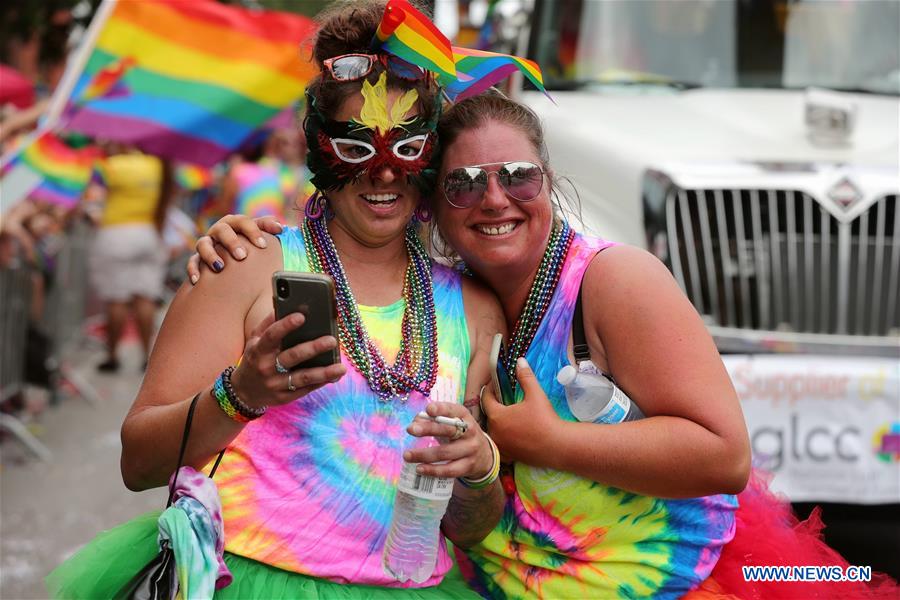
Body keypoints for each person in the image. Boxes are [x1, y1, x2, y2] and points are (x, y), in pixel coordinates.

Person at [193, 89, 900, 599]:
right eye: (464, 184)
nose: (494, 198)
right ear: (433, 201)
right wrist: (243, 233)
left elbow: (723, 455)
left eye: (517, 176)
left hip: (647, 585)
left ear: (548, 181)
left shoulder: (614, 280)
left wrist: (545, 440)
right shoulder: (447, 297)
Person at [47, 1, 505, 598]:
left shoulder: (473, 307)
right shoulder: (244, 264)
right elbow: (138, 463)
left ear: (432, 155)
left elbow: (469, 530)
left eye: (408, 149)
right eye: (357, 149)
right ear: (319, 147)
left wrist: (479, 470)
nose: (385, 174)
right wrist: (240, 395)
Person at [89, 143, 175, 372]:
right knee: (145, 298)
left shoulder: (110, 166)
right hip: (148, 234)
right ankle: (146, 356)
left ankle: (112, 356)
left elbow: (90, 196)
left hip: (115, 234)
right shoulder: (159, 165)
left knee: (117, 299)